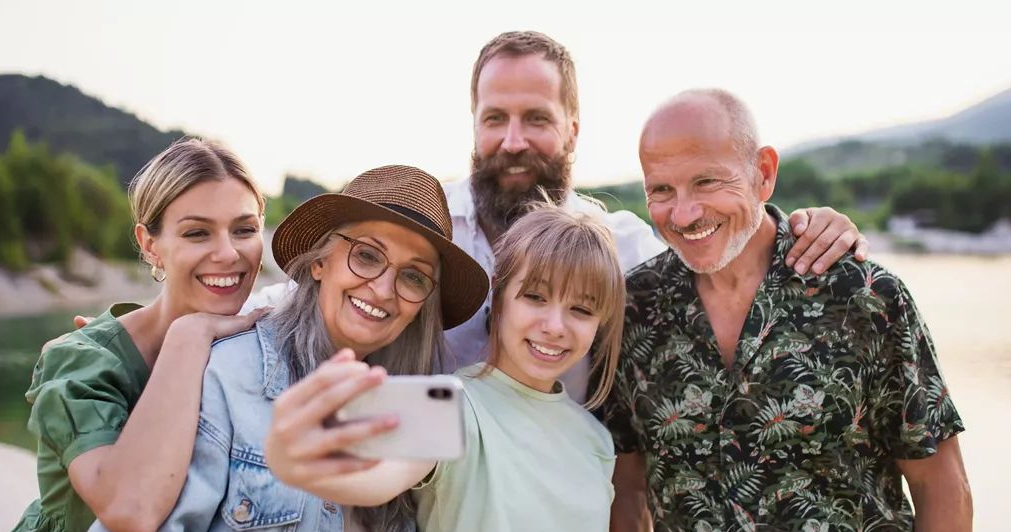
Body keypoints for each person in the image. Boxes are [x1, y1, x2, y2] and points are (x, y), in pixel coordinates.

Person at [246, 31, 872, 405]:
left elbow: (721, 257)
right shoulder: (425, 228)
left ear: (573, 130)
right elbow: (311, 293)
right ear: (474, 125)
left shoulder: (620, 248)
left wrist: (807, 226)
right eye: (495, 119)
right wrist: (204, 324)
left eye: (537, 119)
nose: (513, 141)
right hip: (417, 507)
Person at [596, 89, 973, 532]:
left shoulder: (864, 297)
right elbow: (627, 489)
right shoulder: (633, 310)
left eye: (706, 181)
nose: (683, 214)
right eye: (661, 190)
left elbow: (941, 486)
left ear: (764, 173)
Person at [77, 165, 490, 532]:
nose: (384, 289)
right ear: (320, 261)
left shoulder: (411, 404)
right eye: (367, 255)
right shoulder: (226, 376)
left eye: (413, 276)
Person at [263, 205, 628, 532]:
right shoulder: (449, 403)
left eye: (581, 309)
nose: (555, 326)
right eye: (535, 297)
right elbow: (375, 482)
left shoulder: (596, 440)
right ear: (499, 294)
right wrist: (291, 461)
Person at [0, 138, 272, 532]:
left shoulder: (254, 342)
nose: (228, 253)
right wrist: (188, 338)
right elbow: (131, 512)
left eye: (244, 229)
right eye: (197, 233)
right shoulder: (85, 361)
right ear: (150, 245)